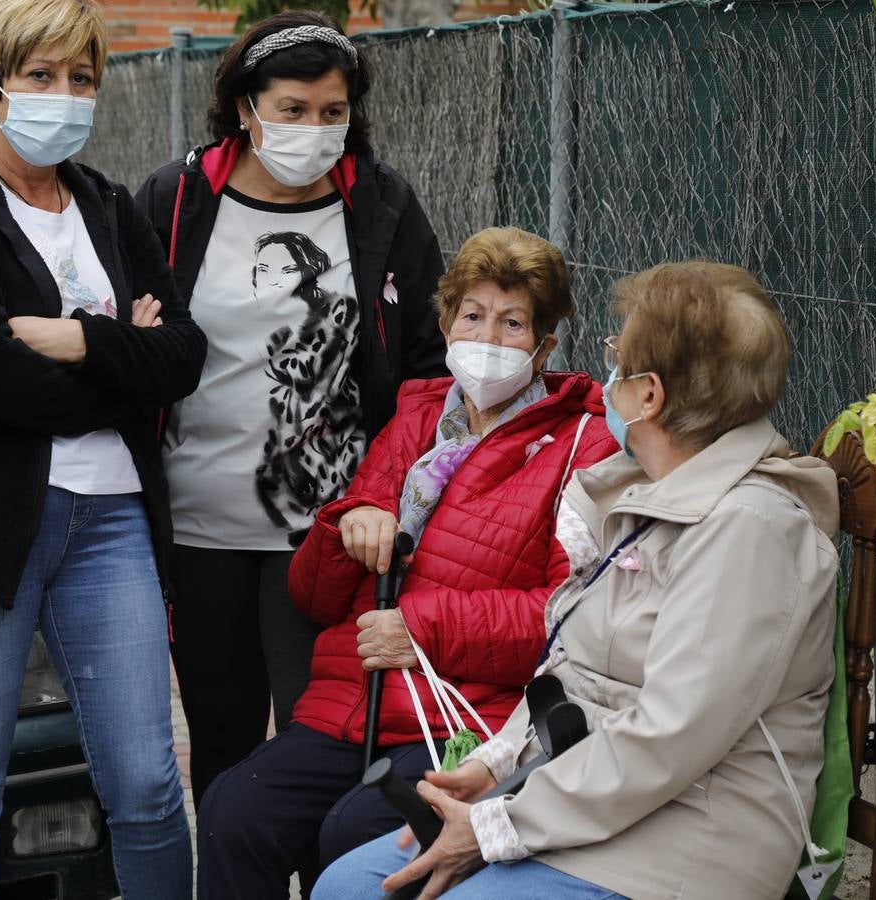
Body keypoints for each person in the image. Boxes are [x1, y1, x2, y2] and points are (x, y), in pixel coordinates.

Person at [315, 261, 841, 900]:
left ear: (648, 396)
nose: (607, 372)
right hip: (585, 806)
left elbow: (669, 740)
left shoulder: (751, 529)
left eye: (619, 354)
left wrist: (500, 826)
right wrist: (493, 767)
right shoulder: (648, 494)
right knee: (346, 887)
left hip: (685, 841)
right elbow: (569, 671)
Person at [0, 1, 206, 896]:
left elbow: (183, 355)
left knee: (144, 781)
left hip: (109, 524)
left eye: (81, 79)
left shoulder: (105, 204)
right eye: (43, 77)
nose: (66, 96)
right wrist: (118, 358)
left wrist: (75, 340)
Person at [197, 227, 618, 900]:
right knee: (233, 812)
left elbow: (570, 616)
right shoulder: (418, 417)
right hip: (350, 703)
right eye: (473, 316)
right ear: (446, 322)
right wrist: (343, 531)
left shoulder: (580, 442)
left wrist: (422, 628)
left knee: (360, 834)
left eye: (512, 323)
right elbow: (313, 597)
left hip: (468, 721)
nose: (487, 337)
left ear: (544, 345)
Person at [135, 9, 448, 803]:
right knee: (223, 740)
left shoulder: (383, 208)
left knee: (322, 744)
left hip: (329, 537)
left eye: (332, 113)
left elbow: (424, 370)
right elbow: (137, 342)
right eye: (294, 111)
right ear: (246, 108)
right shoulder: (176, 201)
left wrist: (381, 497)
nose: (314, 129)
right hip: (200, 530)